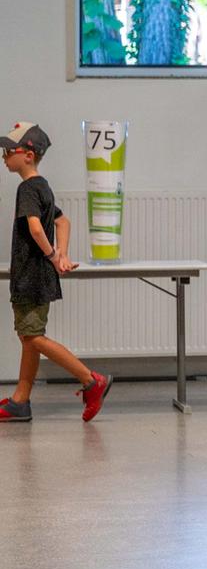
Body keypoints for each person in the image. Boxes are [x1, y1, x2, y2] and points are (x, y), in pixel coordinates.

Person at [1, 124, 111, 422]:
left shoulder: (27, 188)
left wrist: (51, 255)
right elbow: (63, 222)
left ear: (28, 155)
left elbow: (36, 227)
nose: (4, 156)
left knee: (32, 336)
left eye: (9, 151)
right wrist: (61, 254)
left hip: (30, 276)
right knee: (29, 338)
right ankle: (20, 402)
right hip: (39, 275)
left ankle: (91, 380)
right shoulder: (42, 186)